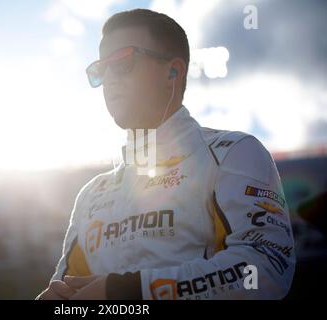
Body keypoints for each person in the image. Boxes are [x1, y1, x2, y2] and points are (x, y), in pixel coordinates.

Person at [36, 8, 295, 300]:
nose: (108, 78)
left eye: (121, 62)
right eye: (100, 69)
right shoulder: (91, 194)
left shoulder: (234, 153)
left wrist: (129, 292)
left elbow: (265, 269)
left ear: (173, 71)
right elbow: (67, 292)